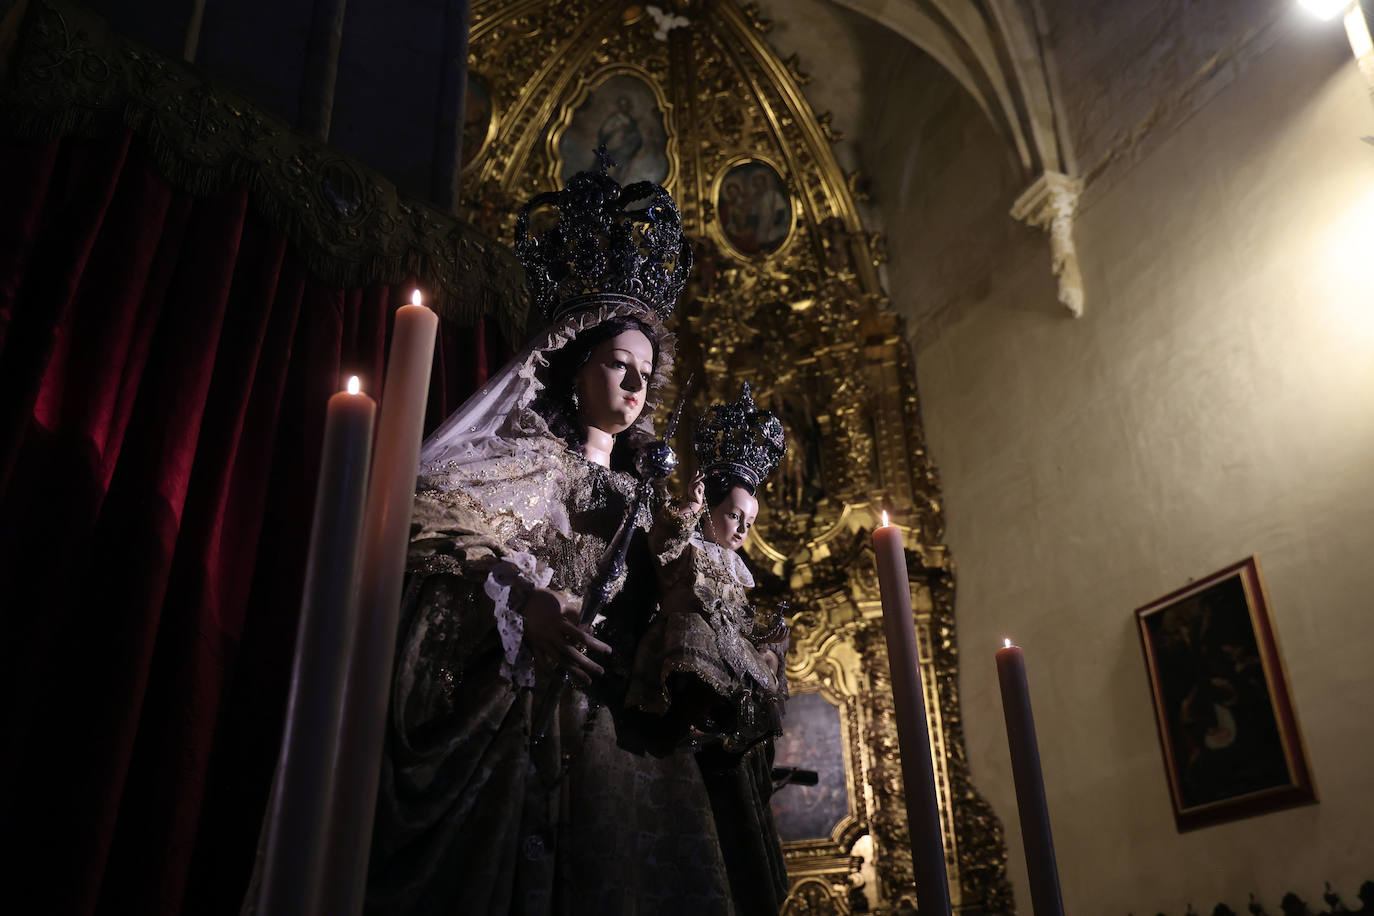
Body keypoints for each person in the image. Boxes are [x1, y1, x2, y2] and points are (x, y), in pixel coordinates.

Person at [364, 159, 740, 914]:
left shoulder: (655, 504)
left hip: (630, 741)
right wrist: (525, 601)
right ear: (575, 366)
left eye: (645, 373)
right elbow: (438, 532)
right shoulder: (530, 461)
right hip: (533, 716)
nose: (634, 387)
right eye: (616, 364)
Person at [627, 382, 792, 913]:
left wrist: (769, 650)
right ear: (709, 506)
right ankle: (690, 711)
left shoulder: (739, 573)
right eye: (732, 516)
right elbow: (665, 551)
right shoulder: (691, 544)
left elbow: (742, 629)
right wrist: (685, 512)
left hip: (727, 667)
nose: (742, 529)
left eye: (749, 521)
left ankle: (727, 719)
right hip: (681, 646)